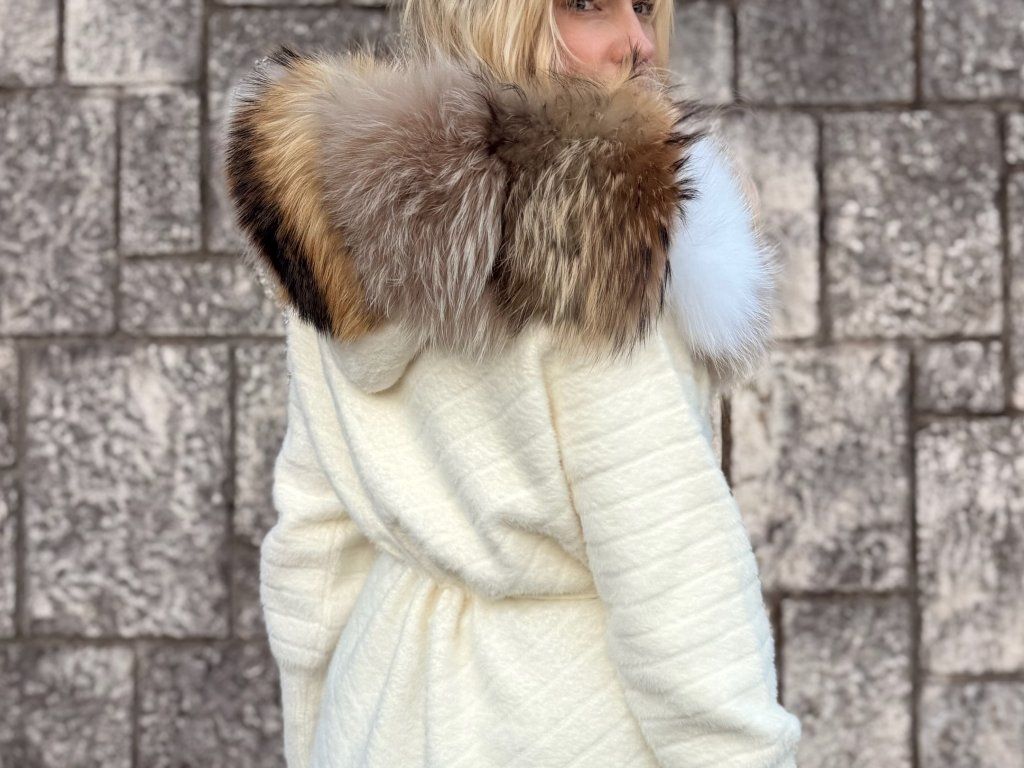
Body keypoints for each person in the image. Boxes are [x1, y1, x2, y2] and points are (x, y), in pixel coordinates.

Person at [222, 0, 803, 765]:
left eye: (644, 7)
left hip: (378, 708)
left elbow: (315, 547)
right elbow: (675, 584)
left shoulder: (336, 220)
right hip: (564, 721)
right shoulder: (592, 238)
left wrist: (317, 737)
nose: (636, 42)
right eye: (589, 5)